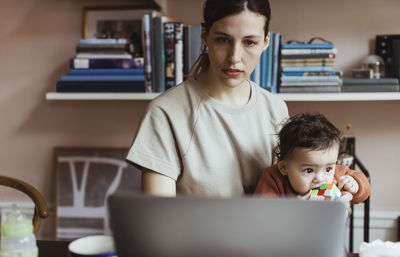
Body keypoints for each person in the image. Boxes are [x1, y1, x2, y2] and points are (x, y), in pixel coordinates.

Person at [126, 0, 288, 197]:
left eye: (249, 42)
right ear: (205, 35)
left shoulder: (276, 109)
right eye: (223, 40)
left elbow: (291, 195)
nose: (234, 57)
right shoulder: (164, 112)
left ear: (265, 42)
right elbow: (159, 216)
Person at [254, 113, 370, 206]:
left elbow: (363, 185)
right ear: (284, 167)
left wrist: (355, 184)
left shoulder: (336, 176)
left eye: (328, 169)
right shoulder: (273, 178)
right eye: (309, 170)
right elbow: (262, 211)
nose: (320, 179)